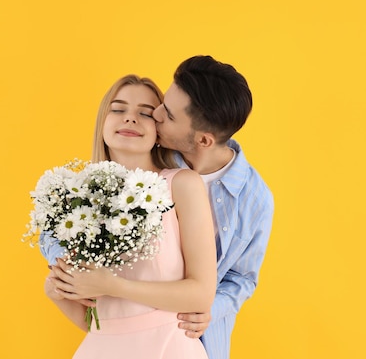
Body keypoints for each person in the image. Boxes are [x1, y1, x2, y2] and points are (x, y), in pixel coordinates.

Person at [42, 55, 274, 359]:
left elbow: (237, 279)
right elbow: (105, 319)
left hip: (188, 336)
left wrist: (208, 310)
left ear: (203, 140)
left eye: (156, 113)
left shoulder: (231, 194)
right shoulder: (90, 192)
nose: (155, 116)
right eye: (161, 106)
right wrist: (66, 281)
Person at [45, 75, 217, 359]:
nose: (130, 119)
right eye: (118, 109)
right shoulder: (79, 199)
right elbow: (98, 321)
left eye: (145, 113)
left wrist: (114, 286)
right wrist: (56, 292)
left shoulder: (182, 185)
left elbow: (201, 294)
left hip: (168, 348)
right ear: (103, 121)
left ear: (159, 129)